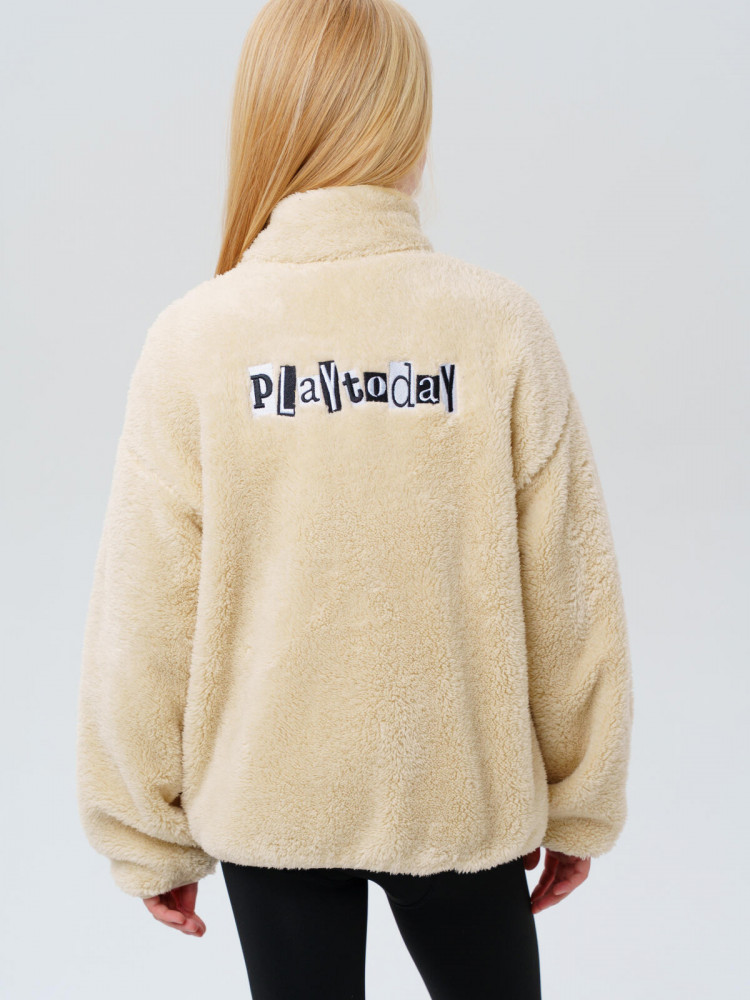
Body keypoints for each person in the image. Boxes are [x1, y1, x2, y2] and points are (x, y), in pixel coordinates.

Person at [75, 0, 635, 997]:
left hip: (269, 800)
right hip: (459, 794)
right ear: (409, 124)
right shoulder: (497, 327)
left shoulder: (196, 340)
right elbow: (571, 594)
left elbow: (143, 613)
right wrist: (581, 796)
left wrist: (143, 829)